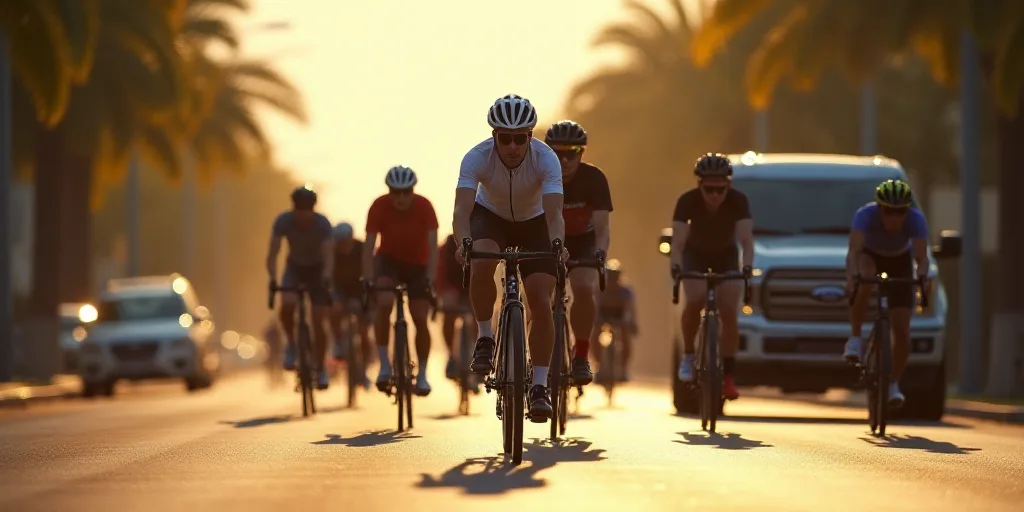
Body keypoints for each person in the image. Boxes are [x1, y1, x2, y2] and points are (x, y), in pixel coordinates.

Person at [453, 93, 567, 422]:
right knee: (482, 257)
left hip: (536, 223)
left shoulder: (546, 159)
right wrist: (464, 242)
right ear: (494, 137)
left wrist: (558, 242)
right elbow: (461, 211)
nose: (513, 147)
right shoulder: (476, 157)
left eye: (520, 139)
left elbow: (555, 213)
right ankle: (486, 337)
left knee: (541, 301)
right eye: (506, 139)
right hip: (492, 218)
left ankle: (540, 387)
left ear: (531, 137)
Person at [670, 153, 754, 402]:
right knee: (694, 300)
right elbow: (678, 243)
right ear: (699, 185)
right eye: (709, 190)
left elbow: (747, 241)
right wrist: (676, 268)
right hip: (694, 254)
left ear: (729, 185)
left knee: (729, 309)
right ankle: (688, 356)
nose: (715, 196)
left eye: (721, 189)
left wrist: (747, 268)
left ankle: (728, 375)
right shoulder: (687, 201)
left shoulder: (739, 201)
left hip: (726, 255)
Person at [843, 179, 930, 408]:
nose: (894, 218)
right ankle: (855, 338)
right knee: (865, 279)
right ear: (879, 208)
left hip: (900, 260)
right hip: (870, 255)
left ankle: (893, 384)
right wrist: (851, 277)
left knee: (901, 330)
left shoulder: (916, 220)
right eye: (889, 211)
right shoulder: (865, 215)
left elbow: (922, 259)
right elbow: (854, 252)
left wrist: (921, 278)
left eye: (900, 212)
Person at [544, 120, 613, 386]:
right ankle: (533, 356)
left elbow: (603, 228)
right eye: (557, 154)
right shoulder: (539, 177)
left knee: (584, 286)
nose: (564, 160)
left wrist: (600, 255)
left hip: (583, 241)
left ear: (581, 153)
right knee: (538, 295)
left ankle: (581, 354)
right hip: (547, 240)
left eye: (570, 153)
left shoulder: (594, 179)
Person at [363, 165, 439, 396]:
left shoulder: (425, 206)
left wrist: (430, 279)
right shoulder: (378, 205)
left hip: (418, 264)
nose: (401, 197)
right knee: (384, 301)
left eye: (406, 192)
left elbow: (434, 247)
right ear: (389, 191)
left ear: (413, 191)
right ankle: (385, 367)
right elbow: (368, 247)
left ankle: (423, 373)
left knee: (419, 315)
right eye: (395, 192)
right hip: (388, 261)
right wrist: (367, 279)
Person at [266, 185, 334, 390]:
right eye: (299, 209)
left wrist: (327, 277)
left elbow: (329, 255)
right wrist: (272, 278)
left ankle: (321, 368)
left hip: (317, 270)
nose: (303, 214)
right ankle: (292, 345)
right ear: (293, 208)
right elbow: (273, 253)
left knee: (318, 319)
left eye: (307, 210)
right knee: (287, 304)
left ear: (313, 209)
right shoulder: (283, 221)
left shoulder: (323, 224)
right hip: (294, 268)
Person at [329, 221, 372, 389]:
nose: (343, 247)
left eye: (345, 243)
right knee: (335, 309)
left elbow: (371, 271)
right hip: (341, 290)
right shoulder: (331, 252)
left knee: (363, 332)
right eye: (339, 244)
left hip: (360, 291)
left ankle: (364, 369)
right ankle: (338, 341)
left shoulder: (363, 249)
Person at [435, 234, 480, 383]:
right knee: (448, 315)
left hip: (472, 285)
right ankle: (452, 356)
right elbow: (440, 273)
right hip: (452, 285)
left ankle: (478, 353)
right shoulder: (447, 246)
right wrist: (442, 295)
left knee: (478, 316)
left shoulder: (481, 241)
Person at [594, 259, 638, 382]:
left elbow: (631, 310)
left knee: (625, 333)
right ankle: (598, 366)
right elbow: (594, 307)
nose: (613, 279)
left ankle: (623, 368)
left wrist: (632, 323)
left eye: (615, 276)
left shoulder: (626, 291)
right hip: (602, 316)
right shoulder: (599, 289)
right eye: (610, 276)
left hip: (620, 317)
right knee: (595, 332)